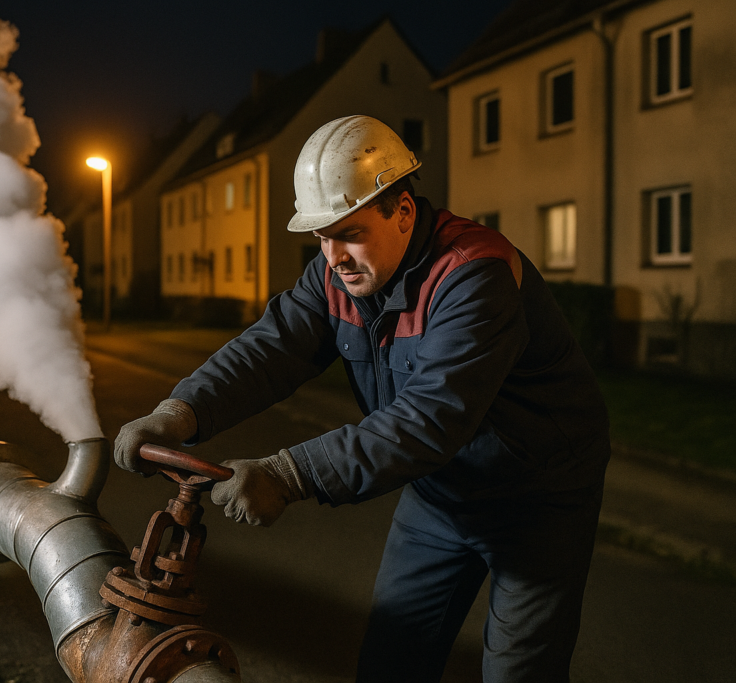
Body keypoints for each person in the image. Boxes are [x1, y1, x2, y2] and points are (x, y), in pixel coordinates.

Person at [115, 115, 610, 682]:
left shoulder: (474, 276)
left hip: (537, 498)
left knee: (520, 674)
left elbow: (428, 420)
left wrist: (288, 474)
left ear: (402, 212)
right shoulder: (335, 277)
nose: (334, 255)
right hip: (443, 493)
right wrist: (178, 413)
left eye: (349, 232)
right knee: (390, 665)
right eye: (322, 237)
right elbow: (270, 349)